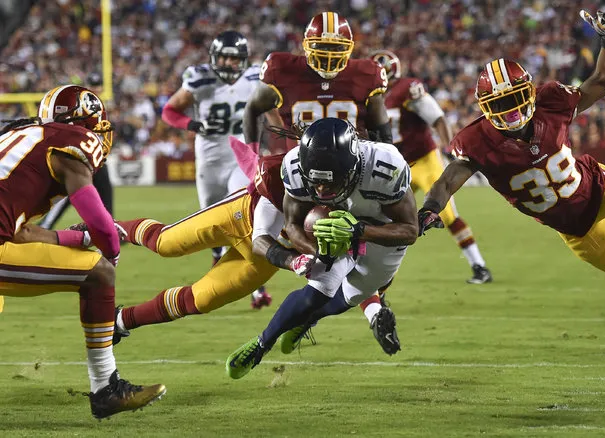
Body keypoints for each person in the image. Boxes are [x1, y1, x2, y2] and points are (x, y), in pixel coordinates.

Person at [417, 12, 605, 360]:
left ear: (530, 91)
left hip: (596, 183)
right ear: (486, 108)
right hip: (577, 228)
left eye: (514, 97)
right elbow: (446, 181)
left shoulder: (551, 101)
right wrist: (430, 209)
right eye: (500, 104)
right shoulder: (476, 141)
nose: (510, 110)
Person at [22, 137, 314, 344]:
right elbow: (264, 237)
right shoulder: (281, 172)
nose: (324, 185)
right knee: (167, 243)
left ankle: (121, 321)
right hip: (244, 217)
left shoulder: (352, 199)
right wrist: (295, 260)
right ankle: (100, 230)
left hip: (270, 252)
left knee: (202, 299)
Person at [0, 85, 165, 419]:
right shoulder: (71, 142)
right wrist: (110, 251)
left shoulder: (19, 140)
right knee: (99, 272)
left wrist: (77, 240)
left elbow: (22, 234)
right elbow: (101, 223)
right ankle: (106, 389)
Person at [226, 117, 419, 379]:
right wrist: (317, 252)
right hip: (331, 222)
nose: (321, 189)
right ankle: (261, 344)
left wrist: (360, 231)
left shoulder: (385, 167)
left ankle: (307, 321)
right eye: (315, 182)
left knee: (351, 295)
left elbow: (409, 230)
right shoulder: (294, 167)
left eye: (330, 183)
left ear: (352, 168)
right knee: (318, 289)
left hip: (380, 227)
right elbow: (292, 225)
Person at [160, 30, 271, 309]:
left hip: (241, 155)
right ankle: (218, 265)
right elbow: (170, 111)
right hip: (209, 159)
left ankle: (256, 284)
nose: (228, 64)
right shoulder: (200, 79)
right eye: (223, 57)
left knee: (242, 214)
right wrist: (192, 125)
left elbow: (272, 108)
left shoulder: (256, 77)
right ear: (214, 57)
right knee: (210, 218)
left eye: (234, 59)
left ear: (244, 60)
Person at [370, 49, 492, 286]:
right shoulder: (369, 96)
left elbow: (438, 118)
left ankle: (479, 266)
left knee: (446, 214)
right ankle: (376, 275)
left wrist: (449, 148)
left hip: (424, 160)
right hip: (396, 166)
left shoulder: (407, 89)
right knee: (381, 216)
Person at [242, 11, 392, 154]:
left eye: (336, 48)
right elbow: (253, 109)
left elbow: (382, 134)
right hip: (298, 169)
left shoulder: (366, 74)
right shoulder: (282, 69)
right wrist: (251, 154)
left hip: (354, 169)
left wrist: (384, 161)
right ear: (306, 46)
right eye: (322, 47)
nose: (329, 55)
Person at [38, 73, 114, 230]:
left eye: (98, 86)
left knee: (104, 192)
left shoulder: (98, 104)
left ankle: (111, 227)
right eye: (93, 86)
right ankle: (46, 225)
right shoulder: (78, 104)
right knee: (71, 192)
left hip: (95, 155)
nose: (96, 89)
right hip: (81, 154)